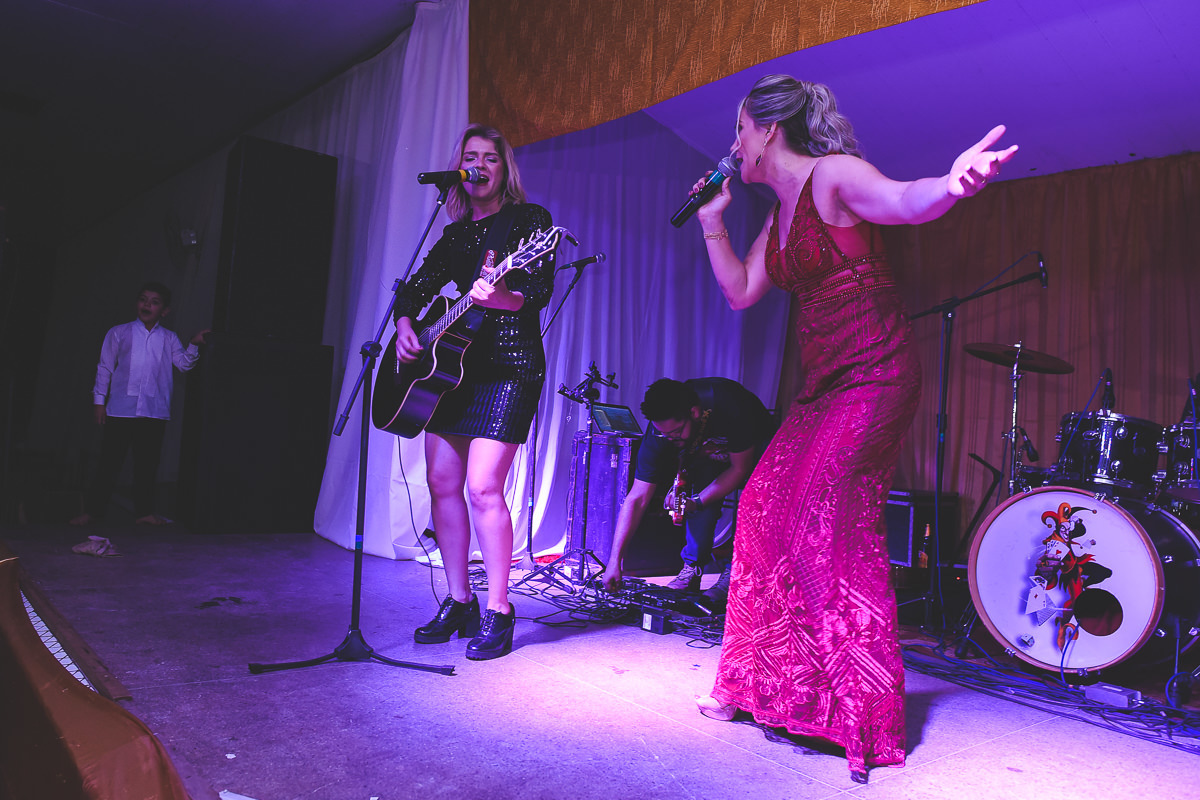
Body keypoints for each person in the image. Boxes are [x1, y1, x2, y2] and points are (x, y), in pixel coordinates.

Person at [689, 75, 1018, 782]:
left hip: (875, 376)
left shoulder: (832, 178)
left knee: (824, 523)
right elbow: (742, 292)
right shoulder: (776, 216)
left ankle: (862, 709)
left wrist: (954, 185)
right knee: (759, 506)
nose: (733, 144)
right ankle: (761, 684)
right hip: (823, 387)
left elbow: (903, 200)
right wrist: (713, 219)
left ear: (767, 131)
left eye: (739, 129)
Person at [394, 124, 556, 661]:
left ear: (504, 168)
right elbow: (417, 286)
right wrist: (405, 325)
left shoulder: (531, 224)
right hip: (451, 370)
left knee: (484, 488)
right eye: (470, 157)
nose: (480, 165)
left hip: (508, 367)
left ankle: (499, 608)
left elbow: (534, 295)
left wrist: (501, 293)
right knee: (443, 482)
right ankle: (459, 600)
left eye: (490, 157)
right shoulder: (455, 234)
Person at [599, 378, 772, 602]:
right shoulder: (662, 432)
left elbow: (740, 469)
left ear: (694, 412)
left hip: (758, 446)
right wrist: (614, 562)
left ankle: (737, 569)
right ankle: (693, 568)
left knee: (755, 494)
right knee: (696, 494)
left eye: (675, 432)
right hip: (710, 448)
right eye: (665, 434)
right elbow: (637, 498)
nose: (670, 437)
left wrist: (698, 501)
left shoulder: (730, 405)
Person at [71, 282, 208, 526]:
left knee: (147, 465)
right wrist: (99, 402)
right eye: (144, 299)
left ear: (164, 311)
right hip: (120, 409)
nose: (147, 304)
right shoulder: (119, 332)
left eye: (154, 302)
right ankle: (93, 511)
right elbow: (105, 367)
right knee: (109, 463)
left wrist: (194, 343)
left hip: (153, 412)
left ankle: (143, 512)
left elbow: (184, 365)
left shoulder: (169, 338)